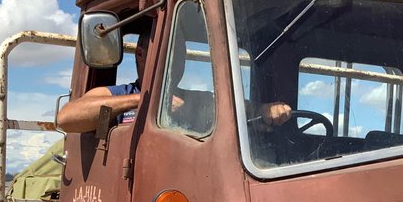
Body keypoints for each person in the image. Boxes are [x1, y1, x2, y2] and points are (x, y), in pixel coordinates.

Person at [56, 30, 293, 134]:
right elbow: (67, 118)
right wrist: (144, 100)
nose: (176, 61)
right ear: (140, 54)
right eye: (169, 52)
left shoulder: (195, 100)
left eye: (180, 54)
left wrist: (265, 109)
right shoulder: (121, 94)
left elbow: (234, 108)